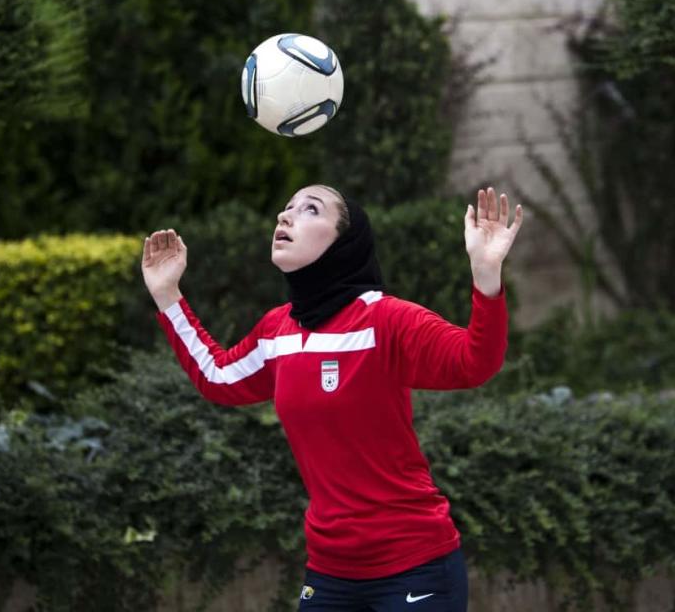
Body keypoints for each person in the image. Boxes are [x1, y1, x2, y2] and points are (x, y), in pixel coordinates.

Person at [141, 185, 523, 612]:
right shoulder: (276, 332)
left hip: (416, 565)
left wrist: (486, 278)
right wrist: (167, 295)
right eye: (286, 208)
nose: (285, 217)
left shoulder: (386, 319)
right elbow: (217, 376)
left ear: (343, 242)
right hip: (331, 572)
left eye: (309, 210)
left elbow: (475, 362)